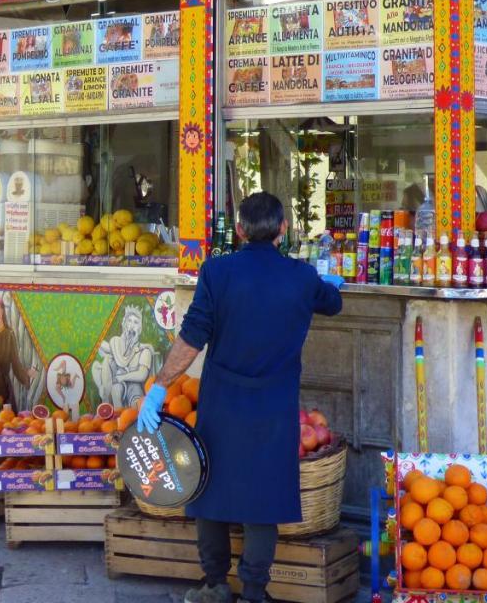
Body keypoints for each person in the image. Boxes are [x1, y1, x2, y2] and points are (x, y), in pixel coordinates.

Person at [137, 191, 344, 603]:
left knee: (209, 486)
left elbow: (192, 336)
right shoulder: (302, 278)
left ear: (240, 230)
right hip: (273, 404)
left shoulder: (217, 272)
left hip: (223, 401)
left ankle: (214, 584)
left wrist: (160, 385)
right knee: (262, 499)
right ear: (283, 228)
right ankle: (254, 590)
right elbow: (333, 303)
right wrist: (328, 285)